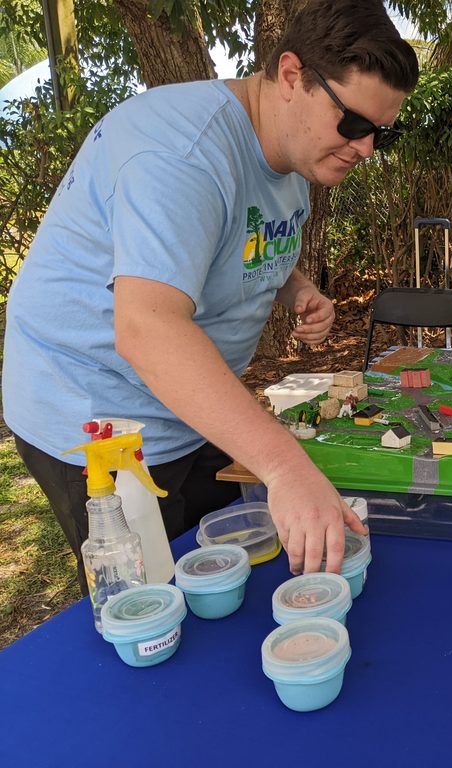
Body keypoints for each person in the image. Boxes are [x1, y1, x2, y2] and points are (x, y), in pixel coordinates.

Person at [1, 0, 419, 594]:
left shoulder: (292, 154)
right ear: (292, 75)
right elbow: (147, 329)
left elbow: (239, 240)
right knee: (154, 597)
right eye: (353, 123)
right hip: (98, 412)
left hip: (191, 405)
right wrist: (285, 466)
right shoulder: (182, 154)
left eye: (382, 131)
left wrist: (297, 287)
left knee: (228, 569)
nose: (367, 148)